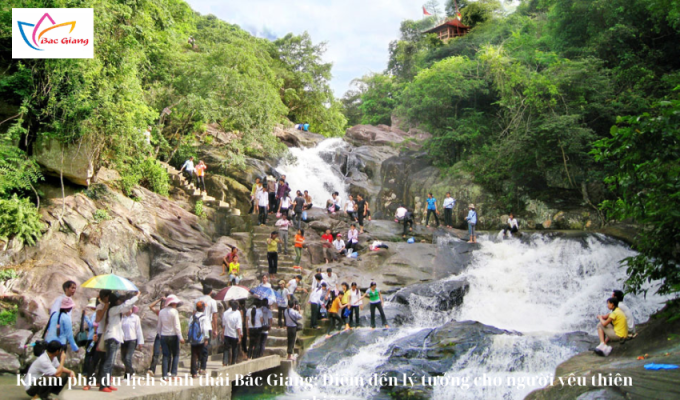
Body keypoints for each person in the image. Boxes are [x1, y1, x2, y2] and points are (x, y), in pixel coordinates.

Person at [99, 292, 139, 392]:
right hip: (112, 338)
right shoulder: (113, 310)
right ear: (116, 300)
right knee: (108, 362)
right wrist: (136, 297)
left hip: (116, 338)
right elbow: (125, 306)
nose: (121, 301)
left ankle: (107, 383)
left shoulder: (116, 311)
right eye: (120, 299)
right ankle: (103, 385)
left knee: (111, 362)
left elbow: (126, 307)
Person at [82, 289, 112, 390]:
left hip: (107, 335)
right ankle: (88, 382)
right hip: (100, 334)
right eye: (107, 296)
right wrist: (105, 308)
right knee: (95, 359)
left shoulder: (111, 307)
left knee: (104, 360)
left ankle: (100, 381)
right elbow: (97, 321)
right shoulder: (100, 306)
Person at [158, 294, 184, 380]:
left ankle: (164, 375)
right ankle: (173, 373)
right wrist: (180, 337)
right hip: (173, 335)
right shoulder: (174, 311)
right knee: (175, 354)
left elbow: (159, 325)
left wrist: (159, 335)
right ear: (172, 303)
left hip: (164, 335)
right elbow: (177, 326)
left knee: (165, 355)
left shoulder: (161, 312)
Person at [195, 284, 218, 374]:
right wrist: (215, 329)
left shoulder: (197, 300)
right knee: (205, 347)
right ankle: (203, 367)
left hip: (197, 326)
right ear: (211, 292)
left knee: (197, 346)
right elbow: (215, 316)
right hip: (207, 326)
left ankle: (197, 364)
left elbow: (194, 313)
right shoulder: (212, 301)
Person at [120, 306, 144, 379]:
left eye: (130, 309)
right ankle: (130, 371)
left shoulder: (135, 318)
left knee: (128, 358)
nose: (129, 311)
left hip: (132, 340)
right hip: (123, 340)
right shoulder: (122, 318)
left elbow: (138, 330)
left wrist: (140, 342)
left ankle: (128, 374)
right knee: (123, 358)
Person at [189, 301, 210, 378]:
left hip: (193, 339)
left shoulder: (192, 317)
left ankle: (194, 373)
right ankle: (202, 369)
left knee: (194, 355)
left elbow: (189, 327)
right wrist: (206, 338)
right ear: (203, 308)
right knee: (203, 353)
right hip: (200, 339)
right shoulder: (204, 317)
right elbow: (205, 328)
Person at [145, 296, 165, 377]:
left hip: (167, 335)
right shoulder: (160, 312)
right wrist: (159, 299)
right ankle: (151, 370)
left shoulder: (171, 312)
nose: (164, 305)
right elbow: (150, 306)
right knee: (156, 353)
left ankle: (166, 371)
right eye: (162, 304)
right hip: (159, 334)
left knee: (166, 354)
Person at [80, 298, 97, 382]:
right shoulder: (96, 314)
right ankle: (89, 372)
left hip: (91, 337)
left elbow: (91, 325)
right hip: (93, 337)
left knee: (89, 354)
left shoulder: (95, 314)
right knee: (91, 355)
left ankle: (86, 371)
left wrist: (86, 317)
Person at [222, 300, 243, 366]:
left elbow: (224, 325)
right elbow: (238, 326)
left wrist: (223, 333)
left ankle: (225, 362)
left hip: (226, 334)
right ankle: (233, 362)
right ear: (237, 307)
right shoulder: (238, 313)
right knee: (234, 349)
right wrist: (239, 336)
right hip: (234, 335)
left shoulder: (225, 313)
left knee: (226, 349)